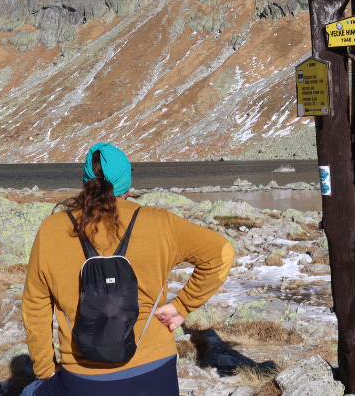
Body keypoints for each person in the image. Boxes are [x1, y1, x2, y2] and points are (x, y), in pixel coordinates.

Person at [22, 142, 235, 395]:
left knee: (30, 391)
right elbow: (222, 253)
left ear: (86, 181)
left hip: (83, 376)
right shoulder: (160, 222)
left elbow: (35, 305)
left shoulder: (52, 229)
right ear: (127, 182)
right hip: (156, 371)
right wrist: (183, 306)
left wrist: (46, 369)